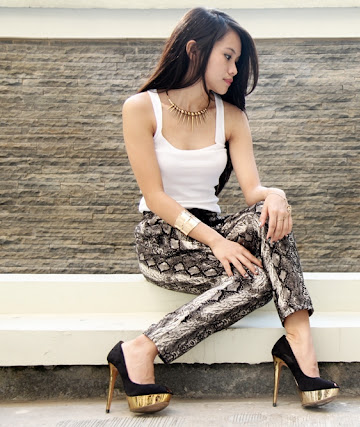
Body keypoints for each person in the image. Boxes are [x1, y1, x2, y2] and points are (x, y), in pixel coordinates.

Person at [105, 8, 339, 414]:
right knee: (259, 280)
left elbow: (253, 191)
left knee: (269, 216)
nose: (234, 70)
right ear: (194, 50)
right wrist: (217, 243)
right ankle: (140, 349)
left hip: (214, 226)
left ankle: (300, 345)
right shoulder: (141, 108)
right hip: (163, 238)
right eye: (227, 57)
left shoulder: (231, 117)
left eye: (237, 61)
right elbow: (155, 197)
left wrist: (276, 195)